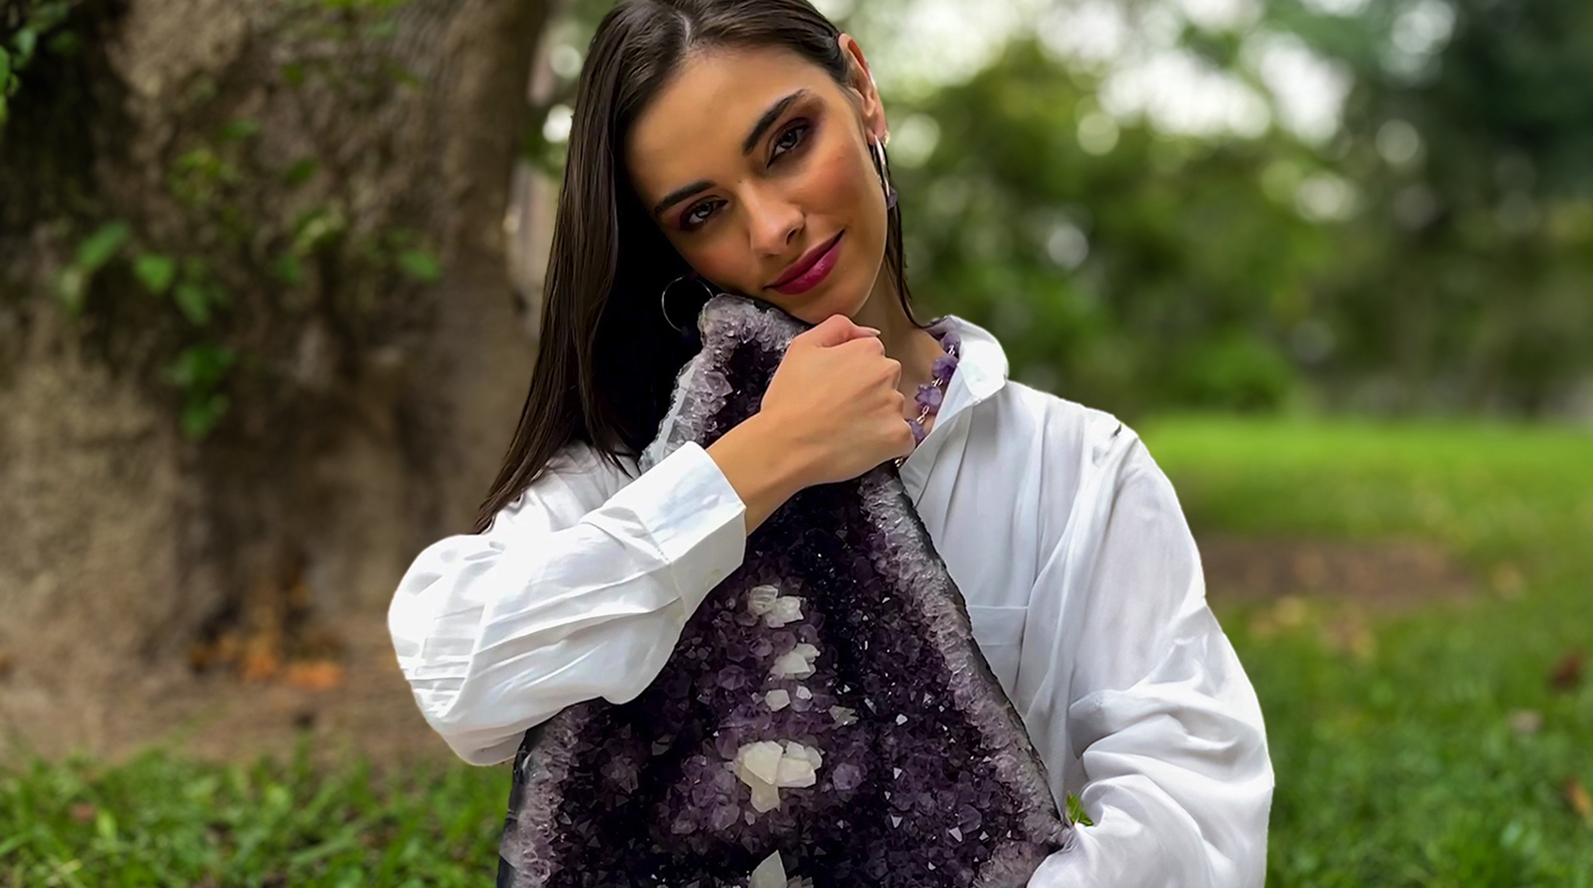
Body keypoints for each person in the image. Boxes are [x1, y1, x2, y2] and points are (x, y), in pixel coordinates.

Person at [386, 0, 1273, 884]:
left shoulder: (1074, 467)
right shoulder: (635, 466)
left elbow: (1196, 819)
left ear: (863, 91)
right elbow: (459, 675)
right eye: (702, 212)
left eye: (787, 142)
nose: (772, 226)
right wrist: (760, 461)